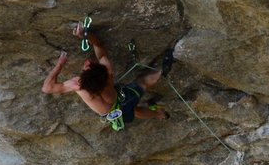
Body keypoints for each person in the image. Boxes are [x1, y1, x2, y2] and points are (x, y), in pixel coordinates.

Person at [42, 24, 173, 129]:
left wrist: (59, 65)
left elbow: (47, 88)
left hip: (118, 114)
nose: (87, 62)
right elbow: (98, 45)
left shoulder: (78, 85)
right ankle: (162, 72)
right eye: (89, 65)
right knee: (143, 82)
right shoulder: (107, 72)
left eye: (87, 65)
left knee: (134, 111)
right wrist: (86, 35)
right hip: (123, 97)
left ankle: (158, 114)